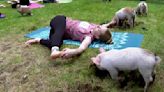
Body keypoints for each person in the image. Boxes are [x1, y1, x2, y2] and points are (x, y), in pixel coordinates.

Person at [25, 15, 113, 60]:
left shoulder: (88, 37)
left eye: (99, 28)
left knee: (57, 41)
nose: (98, 26)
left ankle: (38, 40)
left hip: (58, 32)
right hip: (60, 20)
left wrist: (73, 52)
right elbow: (106, 26)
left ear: (97, 37)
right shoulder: (94, 26)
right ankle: (55, 51)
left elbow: (81, 48)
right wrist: (111, 22)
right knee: (59, 33)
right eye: (99, 26)